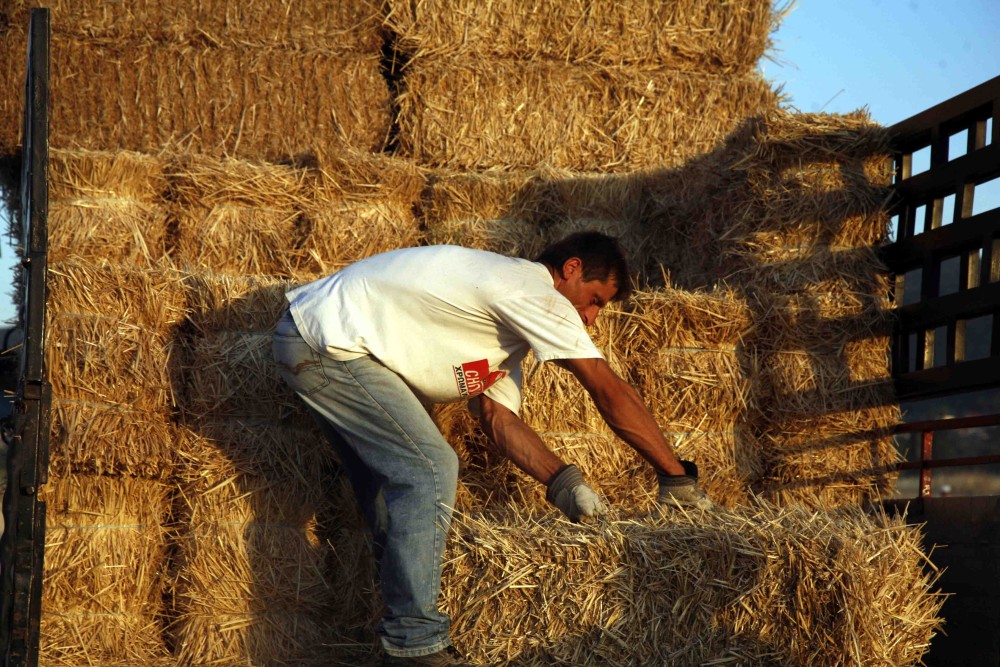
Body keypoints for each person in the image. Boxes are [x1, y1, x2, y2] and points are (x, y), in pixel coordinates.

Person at [271, 231, 712, 667]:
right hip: (326, 343)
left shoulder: (504, 338)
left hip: (323, 342)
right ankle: (414, 644)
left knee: (392, 490)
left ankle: (396, 636)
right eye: (595, 299)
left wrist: (565, 484)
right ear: (571, 269)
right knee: (429, 468)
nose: (592, 318)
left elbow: (499, 421)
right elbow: (604, 385)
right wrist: (674, 474)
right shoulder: (532, 290)